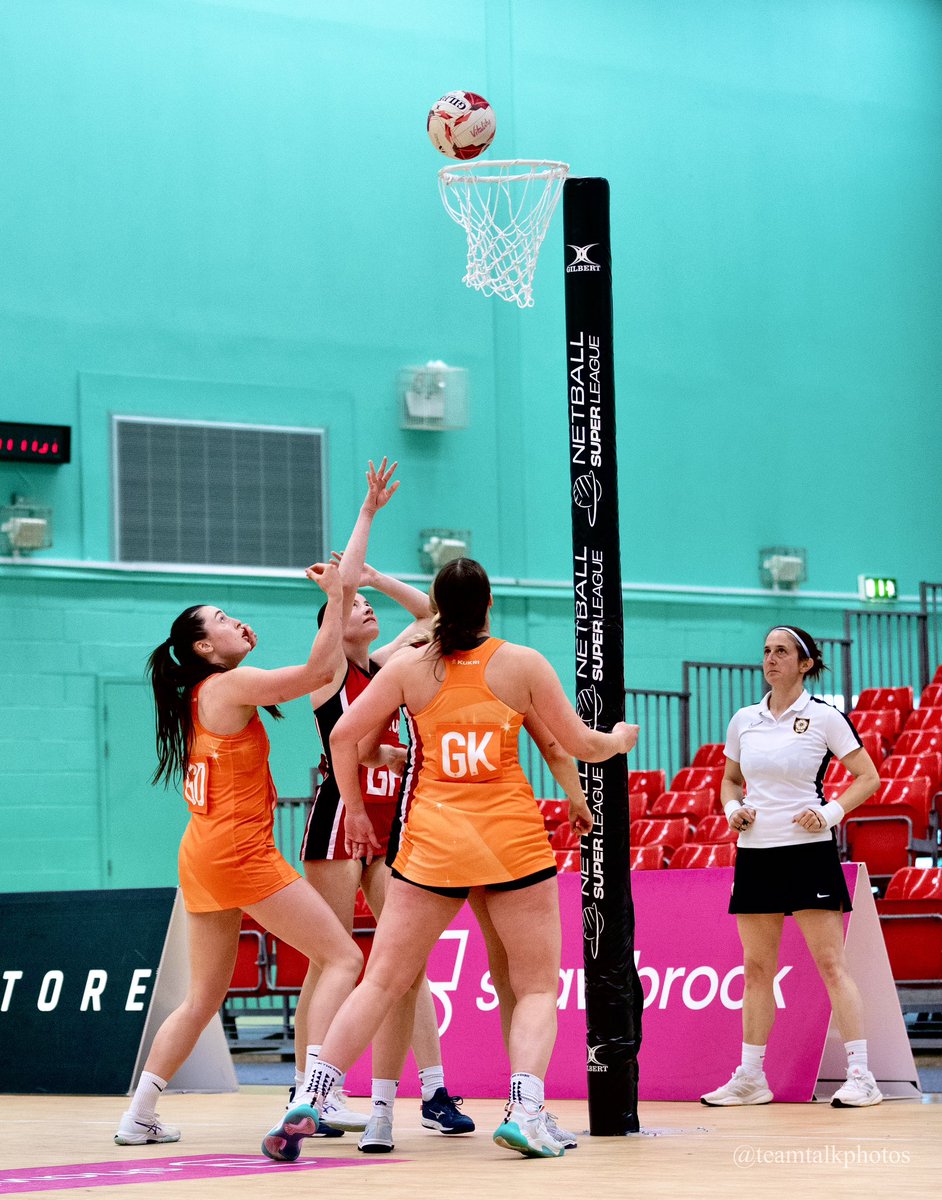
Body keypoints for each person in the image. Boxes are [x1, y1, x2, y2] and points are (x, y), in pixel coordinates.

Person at [262, 557, 638, 1161]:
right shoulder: (521, 663)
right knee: (534, 987)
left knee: (381, 980)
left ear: (436, 607)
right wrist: (618, 739)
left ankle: (313, 1093)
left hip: (432, 843)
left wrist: (354, 809)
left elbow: (343, 736)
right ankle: (524, 1109)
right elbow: (578, 744)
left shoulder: (409, 667)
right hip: (510, 844)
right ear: (488, 604)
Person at [114, 458, 399, 1147]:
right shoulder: (229, 686)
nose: (236, 622)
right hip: (240, 854)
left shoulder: (200, 695)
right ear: (202, 647)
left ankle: (138, 1115)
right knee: (344, 959)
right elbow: (318, 669)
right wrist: (338, 594)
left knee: (203, 997)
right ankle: (314, 1095)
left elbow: (320, 667)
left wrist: (345, 581)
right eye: (222, 620)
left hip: (202, 855)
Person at [293, 561, 474, 1149]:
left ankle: (435, 1091)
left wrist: (375, 579)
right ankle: (308, 1090)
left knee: (407, 959)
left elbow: (433, 615)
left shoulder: (384, 666)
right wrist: (343, 585)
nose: (365, 608)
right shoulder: (328, 671)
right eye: (354, 606)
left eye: (365, 604)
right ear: (332, 624)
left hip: (389, 820)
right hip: (340, 818)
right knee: (332, 958)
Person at [700, 625, 882, 1110]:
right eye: (766, 651)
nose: (771, 658)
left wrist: (829, 813)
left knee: (831, 965)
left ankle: (862, 1076)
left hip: (808, 852)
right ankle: (751, 1078)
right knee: (756, 968)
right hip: (756, 853)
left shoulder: (825, 717)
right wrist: (732, 809)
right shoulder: (744, 720)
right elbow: (730, 780)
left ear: (805, 664)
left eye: (782, 651)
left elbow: (867, 777)